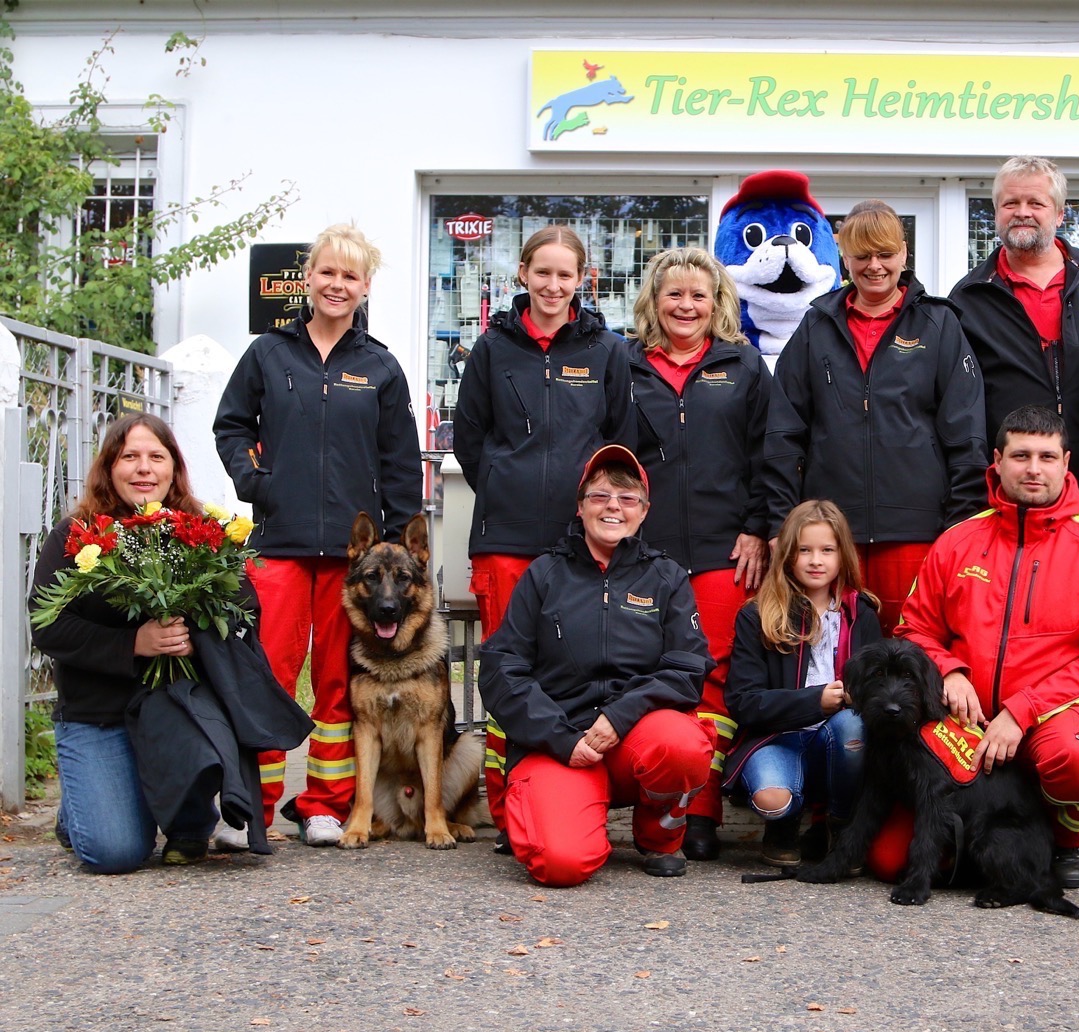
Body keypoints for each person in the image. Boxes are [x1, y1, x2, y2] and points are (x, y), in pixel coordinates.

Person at [214, 223, 422, 847]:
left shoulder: (380, 366)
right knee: (271, 673)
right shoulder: (267, 355)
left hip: (352, 564)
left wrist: (394, 550)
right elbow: (230, 425)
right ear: (308, 279)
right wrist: (256, 482)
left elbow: (400, 462)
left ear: (365, 288)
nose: (337, 285)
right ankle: (254, 803)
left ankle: (324, 804)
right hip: (279, 542)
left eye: (350, 276)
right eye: (327, 272)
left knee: (339, 678)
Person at [895, 405, 1079, 890]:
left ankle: (1069, 844)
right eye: (1021, 455)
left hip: (1055, 718)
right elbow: (912, 630)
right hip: (963, 724)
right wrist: (948, 670)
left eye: (1047, 456)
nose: (1034, 468)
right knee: (890, 862)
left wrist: (1024, 709)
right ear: (997, 461)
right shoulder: (957, 541)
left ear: (1066, 463)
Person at [452, 224, 635, 835]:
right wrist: (508, 484)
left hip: (579, 543)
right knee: (508, 673)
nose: (553, 285)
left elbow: (617, 443)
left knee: (573, 667)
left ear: (583, 280)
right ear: (523, 275)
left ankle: (567, 800)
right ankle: (509, 811)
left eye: (566, 274)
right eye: (543, 272)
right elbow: (471, 442)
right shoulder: (491, 349)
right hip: (504, 537)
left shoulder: (607, 351)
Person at [625, 247, 803, 862]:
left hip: (725, 549)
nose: (686, 305)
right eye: (674, 294)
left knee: (712, 678)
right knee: (648, 673)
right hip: (640, 551)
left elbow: (771, 455)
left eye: (699, 295)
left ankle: (699, 813)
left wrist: (760, 527)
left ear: (718, 303)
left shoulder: (747, 366)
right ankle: (656, 807)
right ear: (654, 300)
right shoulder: (622, 365)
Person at [479, 445, 714, 886]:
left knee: (682, 745)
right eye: (600, 496)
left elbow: (688, 668)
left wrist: (619, 716)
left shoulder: (666, 578)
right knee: (561, 863)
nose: (613, 507)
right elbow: (500, 668)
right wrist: (561, 737)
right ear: (581, 506)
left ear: (644, 511)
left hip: (633, 740)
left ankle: (659, 838)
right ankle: (568, 817)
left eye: (627, 499)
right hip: (561, 745)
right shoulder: (544, 574)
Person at [33, 416, 238, 871]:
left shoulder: (203, 534)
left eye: (155, 457)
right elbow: (47, 627)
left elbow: (242, 618)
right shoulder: (75, 534)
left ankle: (186, 816)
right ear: (109, 467)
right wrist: (135, 643)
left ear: (173, 468)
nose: (143, 469)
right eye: (130, 457)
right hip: (99, 716)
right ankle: (79, 806)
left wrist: (194, 640)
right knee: (116, 852)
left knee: (174, 829)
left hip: (178, 715)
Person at [777, 199, 987, 633]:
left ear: (904, 254)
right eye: (862, 255)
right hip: (831, 533)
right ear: (843, 257)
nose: (875, 266)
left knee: (914, 646)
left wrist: (961, 525)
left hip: (916, 528)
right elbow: (783, 433)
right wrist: (781, 521)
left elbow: (966, 434)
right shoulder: (815, 327)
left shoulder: (939, 324)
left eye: (885, 254)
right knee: (835, 656)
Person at [723, 501, 880, 864]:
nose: (815, 560)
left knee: (852, 725)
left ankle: (841, 823)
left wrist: (855, 696)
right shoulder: (758, 614)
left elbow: (877, 688)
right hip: (777, 737)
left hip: (839, 739)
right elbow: (744, 701)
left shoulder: (862, 614)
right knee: (772, 800)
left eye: (827, 550)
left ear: (844, 556)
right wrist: (815, 702)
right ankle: (784, 824)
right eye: (804, 550)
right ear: (787, 555)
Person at [950, 155, 1079, 464]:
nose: (1022, 212)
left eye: (1036, 203)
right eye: (1011, 203)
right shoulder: (968, 297)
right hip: (1015, 475)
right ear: (996, 213)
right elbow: (960, 404)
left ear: (1059, 214)